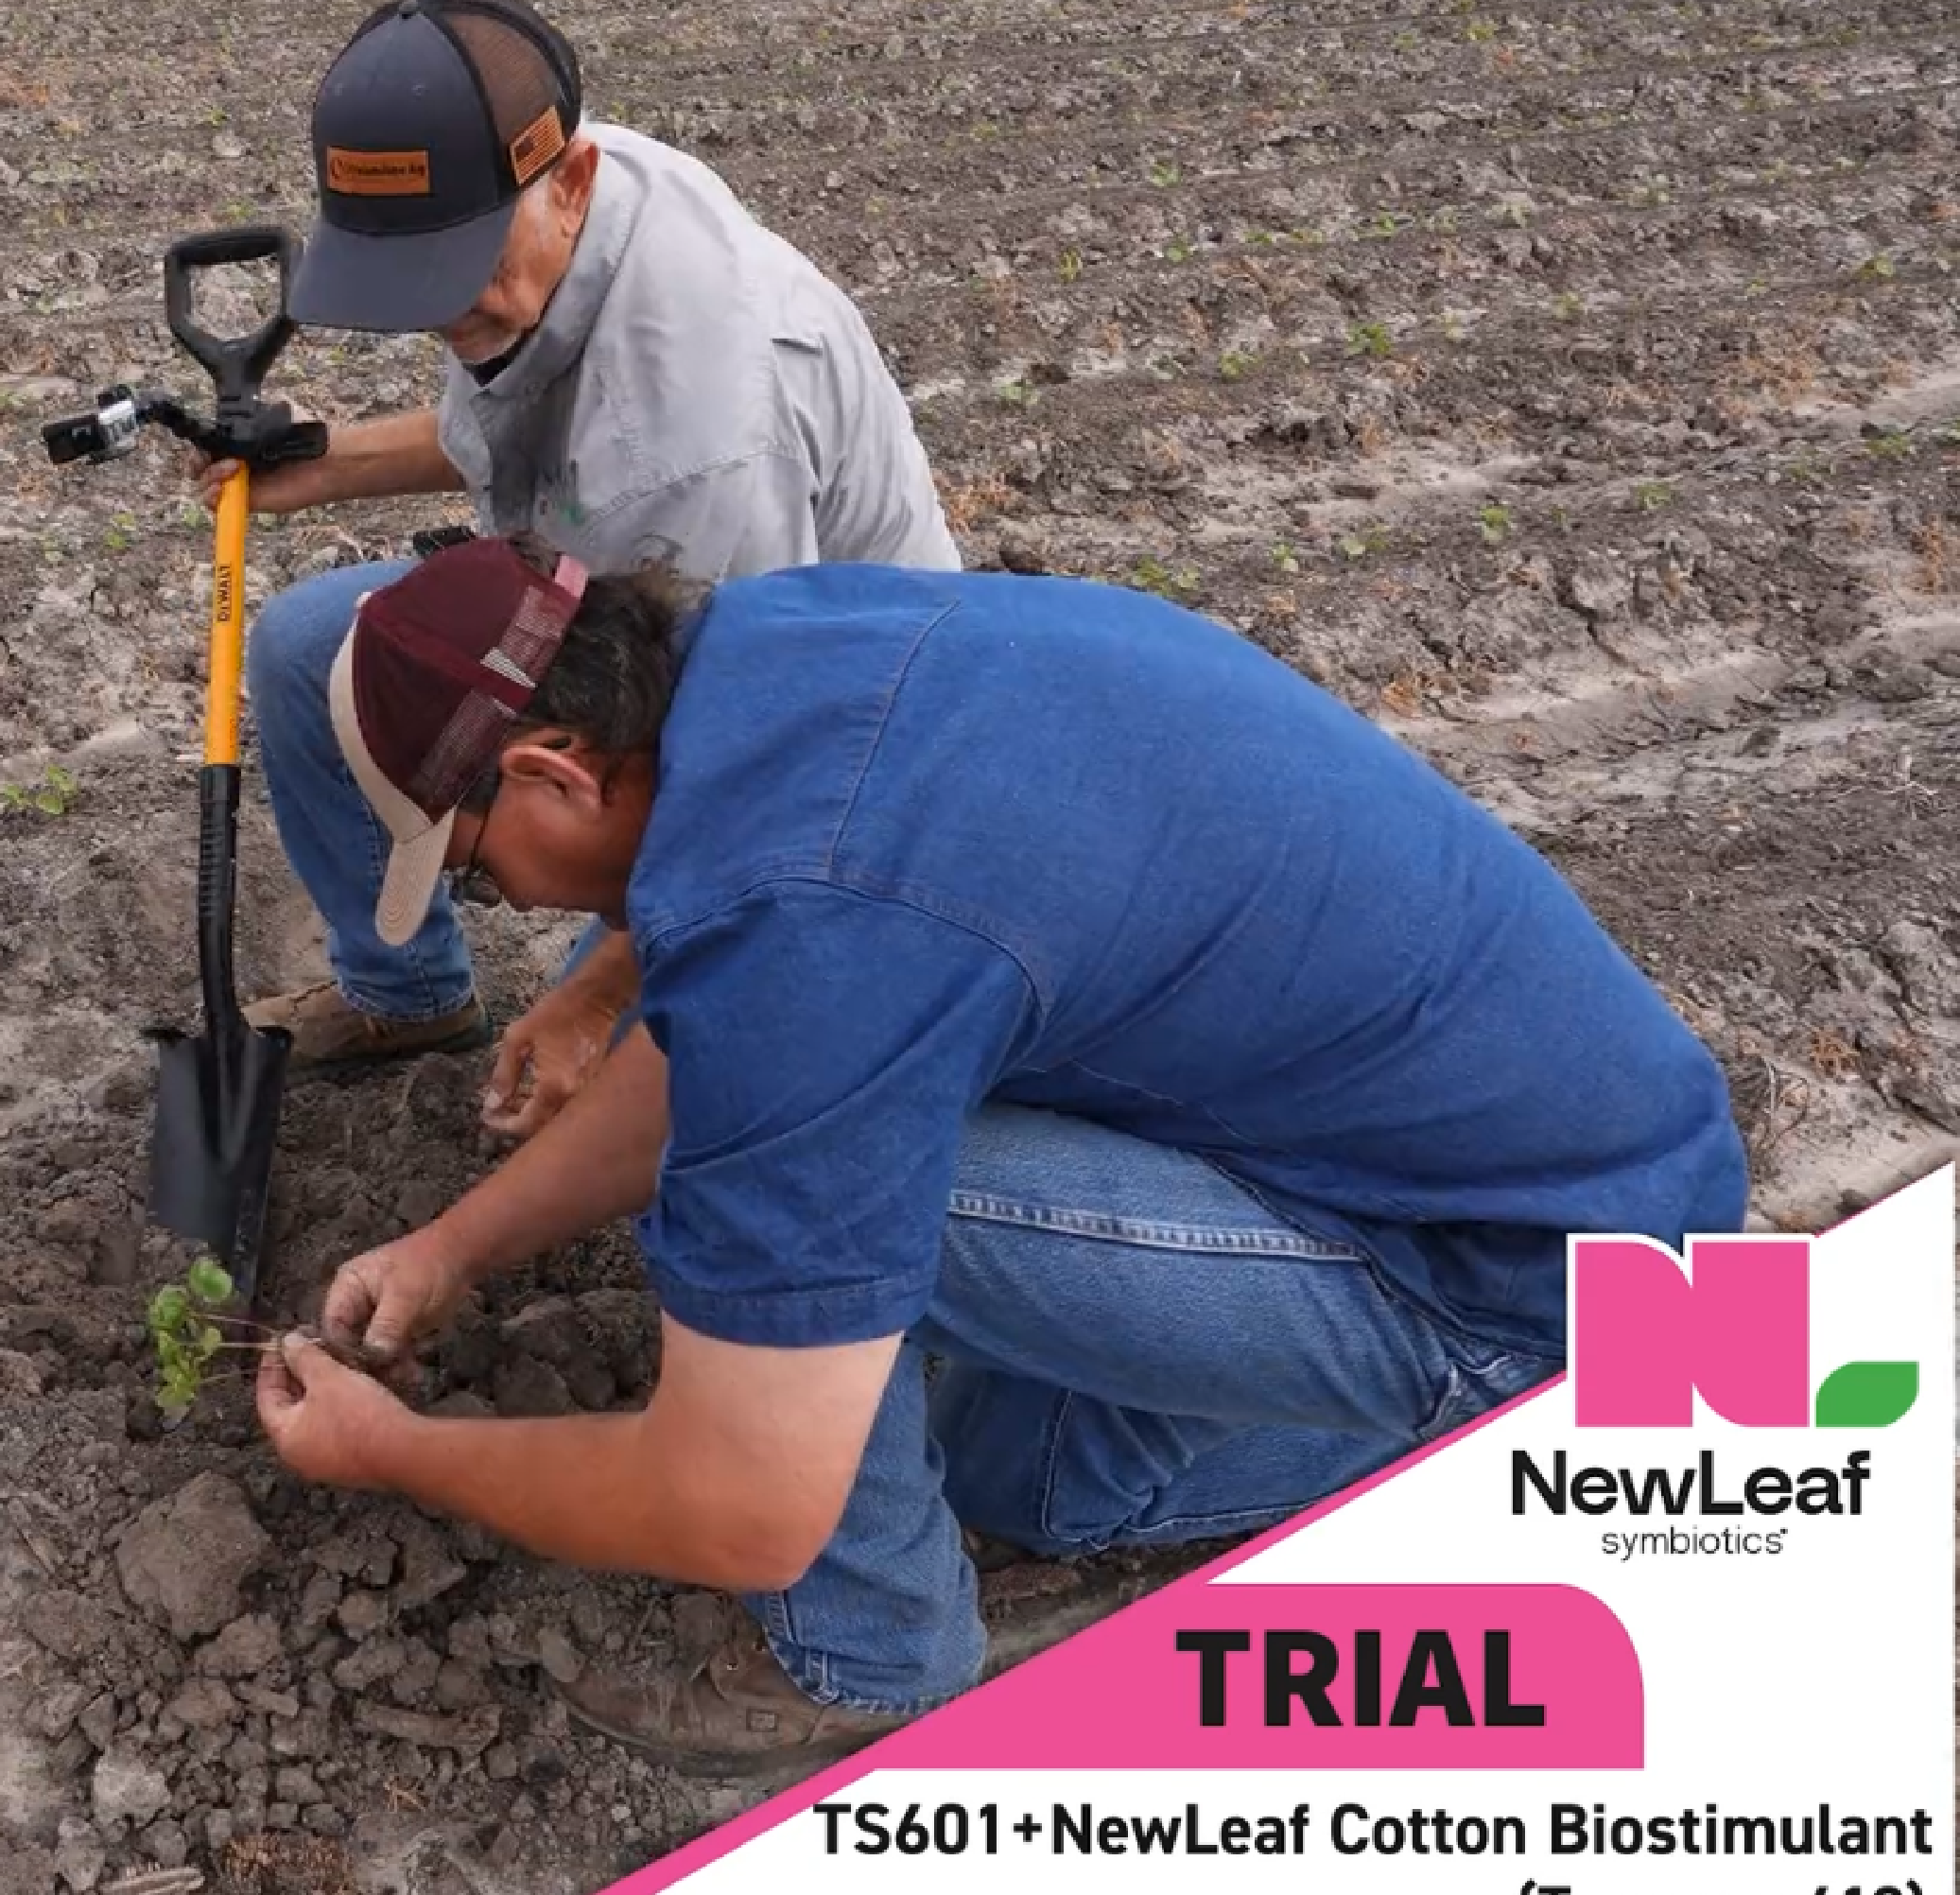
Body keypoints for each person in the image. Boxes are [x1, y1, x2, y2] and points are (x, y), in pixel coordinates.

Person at [246, 533, 1751, 1775]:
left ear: (559, 773)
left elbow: (736, 1504)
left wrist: (401, 1456)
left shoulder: (815, 930)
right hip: (1575, 1165)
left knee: (753, 1218)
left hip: (1522, 1271)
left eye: (477, 870)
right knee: (1014, 1473)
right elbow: (740, 1025)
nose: (504, 905)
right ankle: (1553, 1404)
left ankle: (875, 1661)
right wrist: (456, 1244)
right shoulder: (785, 653)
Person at [205, 0, 964, 1140]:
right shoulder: (548, 207)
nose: (438, 310)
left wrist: (597, 994)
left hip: (830, 716)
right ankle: (407, 998)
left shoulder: (696, 443)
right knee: (321, 645)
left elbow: (742, 772)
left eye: (454, 268)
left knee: (633, 1061)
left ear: (570, 185)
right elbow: (534, 443)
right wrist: (323, 462)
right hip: (620, 590)